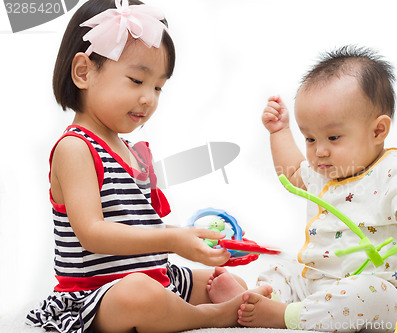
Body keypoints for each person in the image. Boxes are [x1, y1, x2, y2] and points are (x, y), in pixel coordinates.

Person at [26, 1, 271, 332]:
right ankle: (213, 317)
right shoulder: (76, 148)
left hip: (156, 278)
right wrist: (172, 242)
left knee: (222, 280)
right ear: (84, 72)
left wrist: (189, 237)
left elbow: (142, 225)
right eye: (136, 80)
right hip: (97, 295)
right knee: (140, 295)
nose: (149, 99)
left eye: (158, 87)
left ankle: (218, 302)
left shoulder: (135, 154)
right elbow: (93, 234)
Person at [238, 46, 397, 332]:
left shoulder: (392, 171)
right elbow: (294, 175)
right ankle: (260, 299)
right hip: (318, 284)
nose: (319, 151)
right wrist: (280, 132)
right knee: (283, 269)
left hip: (386, 300)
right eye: (310, 139)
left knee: (366, 292)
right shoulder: (327, 172)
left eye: (333, 137)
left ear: (378, 131)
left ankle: (287, 317)